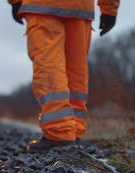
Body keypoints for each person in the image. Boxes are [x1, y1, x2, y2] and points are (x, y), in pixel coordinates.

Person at [7, 0, 119, 152]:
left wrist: (15, 1)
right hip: (81, 7)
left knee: (49, 65)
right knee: (76, 69)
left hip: (43, 5)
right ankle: (74, 129)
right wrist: (109, 9)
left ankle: (59, 132)